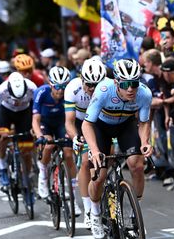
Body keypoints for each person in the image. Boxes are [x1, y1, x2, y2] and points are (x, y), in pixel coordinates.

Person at [82, 59, 152, 239]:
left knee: (136, 165)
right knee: (99, 176)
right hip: (100, 127)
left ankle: (135, 215)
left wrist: (145, 142)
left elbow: (143, 122)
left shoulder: (144, 94)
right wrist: (95, 150)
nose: (130, 89)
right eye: (126, 84)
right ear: (116, 82)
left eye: (134, 84)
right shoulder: (104, 90)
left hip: (125, 125)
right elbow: (87, 124)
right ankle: (95, 213)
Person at [64, 58, 107, 229]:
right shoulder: (72, 88)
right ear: (81, 79)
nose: (92, 89)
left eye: (96, 85)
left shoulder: (106, 88)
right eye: (88, 84)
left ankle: (106, 189)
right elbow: (69, 121)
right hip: (81, 125)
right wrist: (75, 137)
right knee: (85, 162)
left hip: (101, 123)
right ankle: (89, 209)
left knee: (107, 160)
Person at [33, 66, 79, 218]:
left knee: (68, 152)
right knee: (49, 145)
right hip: (45, 123)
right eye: (57, 86)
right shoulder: (41, 93)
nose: (60, 90)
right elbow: (35, 120)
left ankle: (73, 196)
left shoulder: (69, 94)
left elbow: (72, 119)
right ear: (50, 84)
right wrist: (40, 135)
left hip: (61, 124)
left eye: (64, 86)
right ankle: (43, 175)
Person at [0, 72, 37, 195]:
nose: (17, 101)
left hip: (24, 113)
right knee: (3, 137)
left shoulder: (32, 87)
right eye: (14, 98)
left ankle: (26, 180)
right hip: (5, 112)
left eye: (20, 98)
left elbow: (37, 110)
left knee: (27, 149)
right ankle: (2, 167)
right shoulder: (2, 90)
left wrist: (36, 127)